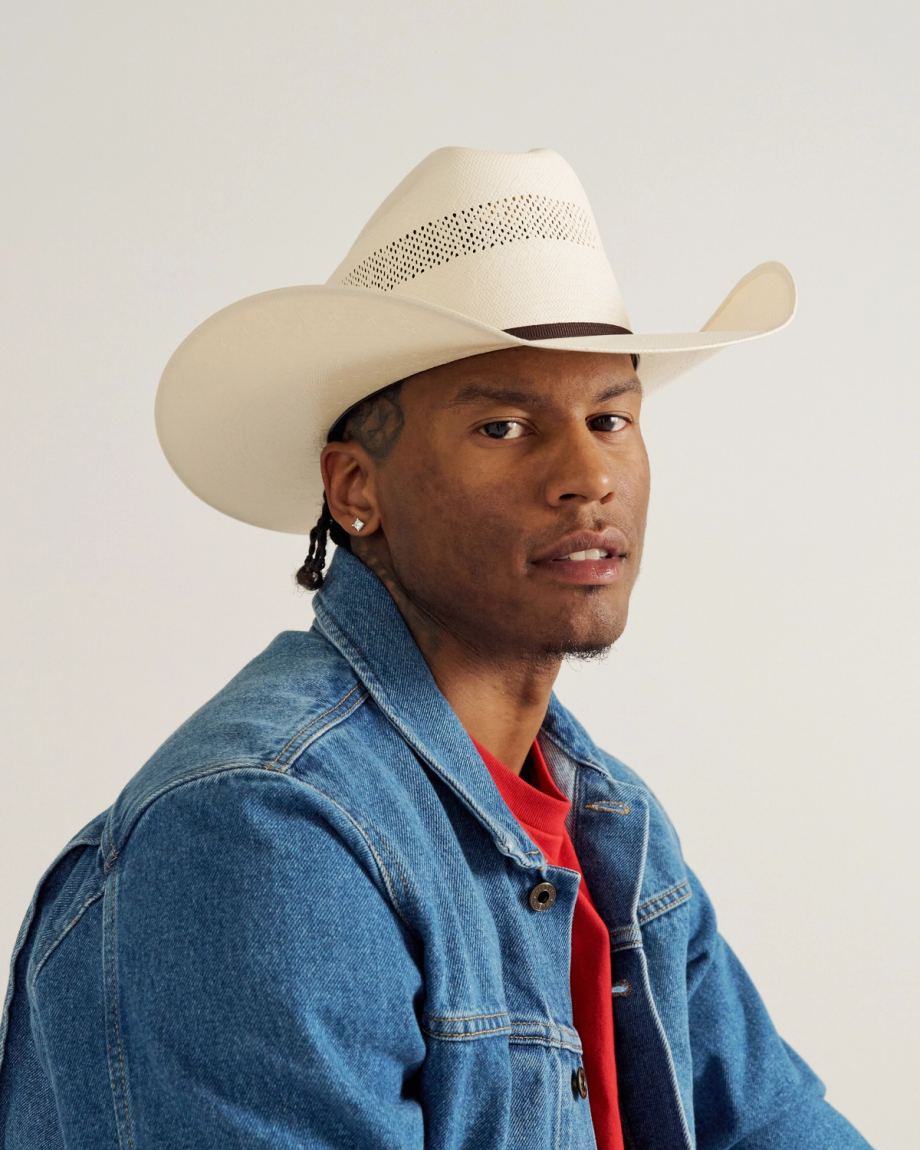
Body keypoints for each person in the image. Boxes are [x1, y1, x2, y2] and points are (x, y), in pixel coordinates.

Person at [0, 147, 872, 1149]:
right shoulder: (261, 828)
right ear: (354, 490)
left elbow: (773, 1125)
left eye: (610, 417)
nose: (586, 474)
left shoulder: (610, 820)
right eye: (503, 425)